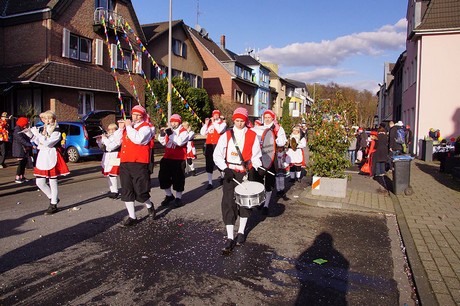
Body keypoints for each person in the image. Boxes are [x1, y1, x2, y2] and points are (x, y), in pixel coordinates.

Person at [213, 107, 263, 255]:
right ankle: (229, 237)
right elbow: (217, 155)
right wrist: (224, 168)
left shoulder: (253, 136)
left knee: (244, 203)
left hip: (245, 173)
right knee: (228, 202)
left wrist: (259, 167)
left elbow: (256, 156)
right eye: (237, 120)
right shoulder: (226, 135)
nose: (239, 123)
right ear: (233, 120)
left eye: (242, 121)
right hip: (230, 173)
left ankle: (241, 232)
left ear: (246, 121)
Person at [113, 105, 155, 227]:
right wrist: (120, 129)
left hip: (139, 163)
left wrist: (128, 126)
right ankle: (132, 217)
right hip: (125, 162)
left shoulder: (146, 128)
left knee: (140, 191)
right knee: (127, 190)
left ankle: (149, 205)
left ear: (142, 116)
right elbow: (115, 142)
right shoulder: (128, 128)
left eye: (138, 115)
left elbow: (138, 139)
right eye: (133, 114)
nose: (135, 117)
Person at [28, 110, 70, 215]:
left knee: (52, 181)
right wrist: (31, 135)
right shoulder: (43, 129)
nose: (46, 120)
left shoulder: (56, 131)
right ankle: (53, 197)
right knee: (39, 182)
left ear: (54, 119)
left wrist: (37, 134)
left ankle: (53, 204)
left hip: (51, 155)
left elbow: (48, 143)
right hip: (42, 156)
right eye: (45, 119)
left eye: (49, 118)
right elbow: (39, 143)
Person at [255, 109, 287, 215]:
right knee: (258, 179)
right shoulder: (259, 127)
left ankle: (266, 204)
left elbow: (283, 141)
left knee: (269, 181)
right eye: (265, 117)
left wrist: (273, 139)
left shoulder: (278, 128)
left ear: (272, 118)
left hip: (272, 157)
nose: (267, 119)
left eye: (269, 117)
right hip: (259, 157)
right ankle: (260, 200)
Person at [158, 114, 189, 208]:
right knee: (162, 177)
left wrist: (170, 133)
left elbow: (179, 142)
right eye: (172, 121)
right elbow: (163, 142)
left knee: (178, 179)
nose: (173, 123)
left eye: (175, 122)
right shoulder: (170, 131)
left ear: (179, 122)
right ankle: (169, 195)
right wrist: (162, 134)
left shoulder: (184, 132)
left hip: (179, 159)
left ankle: (178, 198)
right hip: (167, 157)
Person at [200, 110, 226, 190]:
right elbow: (202, 133)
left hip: (217, 145)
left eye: (217, 115)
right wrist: (206, 124)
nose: (215, 116)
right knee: (209, 163)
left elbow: (219, 130)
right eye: (214, 115)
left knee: (219, 161)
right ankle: (210, 182)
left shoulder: (222, 124)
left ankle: (223, 177)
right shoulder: (210, 124)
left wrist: (214, 122)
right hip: (209, 145)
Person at [96, 123, 121, 199]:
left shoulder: (118, 136)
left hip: (115, 155)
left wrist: (105, 139)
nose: (110, 131)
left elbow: (112, 146)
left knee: (113, 174)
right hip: (107, 156)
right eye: (109, 129)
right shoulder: (108, 136)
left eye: (113, 129)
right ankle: (112, 190)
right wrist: (99, 141)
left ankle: (115, 191)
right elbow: (102, 147)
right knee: (108, 175)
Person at [12, 117, 33, 183]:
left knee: (24, 163)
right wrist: (30, 145)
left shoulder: (23, 129)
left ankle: (22, 176)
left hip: (24, 149)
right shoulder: (17, 130)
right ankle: (17, 177)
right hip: (20, 149)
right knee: (21, 163)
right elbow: (21, 139)